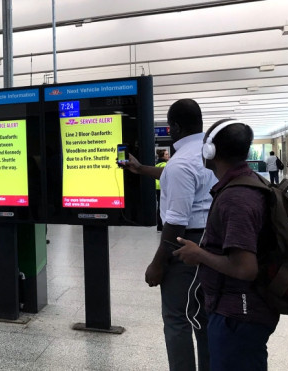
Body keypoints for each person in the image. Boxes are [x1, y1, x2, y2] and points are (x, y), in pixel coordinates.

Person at [174, 119, 279, 370]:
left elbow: (245, 268)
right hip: (242, 312)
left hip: (238, 314)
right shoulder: (249, 183)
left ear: (210, 151)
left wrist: (199, 254)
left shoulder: (236, 198)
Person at [123, 99, 216, 371]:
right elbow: (176, 177)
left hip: (186, 246)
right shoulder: (209, 154)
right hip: (213, 243)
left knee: (177, 319)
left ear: (174, 127)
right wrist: (141, 169)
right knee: (203, 315)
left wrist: (158, 264)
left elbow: (175, 224)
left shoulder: (180, 164)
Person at [155, 149, 170, 232]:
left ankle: (159, 226)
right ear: (163, 156)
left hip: (157, 188)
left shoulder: (157, 164)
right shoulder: (165, 165)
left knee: (160, 207)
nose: (168, 155)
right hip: (163, 188)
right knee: (164, 207)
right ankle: (162, 225)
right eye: (166, 154)